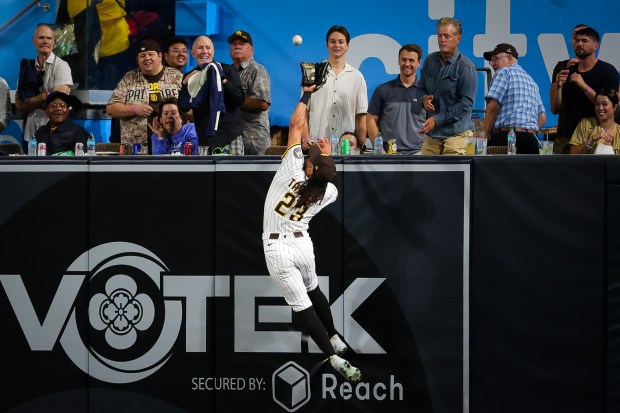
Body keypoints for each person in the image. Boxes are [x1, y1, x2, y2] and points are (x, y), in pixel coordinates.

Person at [263, 84, 361, 382]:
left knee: (304, 307)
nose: (311, 151)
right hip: (302, 246)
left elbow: (295, 124)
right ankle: (333, 336)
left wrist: (306, 93)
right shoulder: (327, 190)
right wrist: (325, 157)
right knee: (314, 290)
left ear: (308, 169)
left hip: (278, 249)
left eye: (312, 157)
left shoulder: (291, 170)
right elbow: (325, 173)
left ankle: (332, 358)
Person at [550, 26, 619, 154]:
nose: (579, 44)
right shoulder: (565, 69)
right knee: (560, 174)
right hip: (565, 136)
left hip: (596, 135)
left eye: (584, 40)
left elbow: (610, 106)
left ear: (595, 46)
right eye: (576, 40)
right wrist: (557, 86)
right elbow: (555, 109)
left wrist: (584, 86)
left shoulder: (608, 71)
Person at [106, 39, 182, 154]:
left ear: (160, 56)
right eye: (142, 55)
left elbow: (189, 109)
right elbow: (111, 108)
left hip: (172, 146)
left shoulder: (176, 77)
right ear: (137, 60)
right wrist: (135, 109)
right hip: (135, 149)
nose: (147, 58)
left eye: (151, 54)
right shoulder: (129, 78)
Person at [418, 17, 477, 155]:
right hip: (432, 136)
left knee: (454, 176)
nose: (442, 39)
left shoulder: (466, 66)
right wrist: (423, 99)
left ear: (458, 39)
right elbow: (420, 89)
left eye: (447, 36)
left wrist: (436, 120)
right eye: (439, 36)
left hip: (457, 136)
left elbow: (466, 104)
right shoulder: (429, 61)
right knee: (426, 176)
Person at [306, 25, 368, 148]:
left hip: (346, 147)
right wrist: (305, 139)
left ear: (347, 46)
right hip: (317, 144)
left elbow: (361, 115)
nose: (337, 45)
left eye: (341, 42)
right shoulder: (313, 73)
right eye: (332, 42)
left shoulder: (357, 76)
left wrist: (361, 145)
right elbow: (304, 112)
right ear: (327, 45)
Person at [15, 24, 73, 152]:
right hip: (30, 133)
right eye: (41, 37)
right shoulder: (26, 68)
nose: (45, 41)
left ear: (54, 42)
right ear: (34, 41)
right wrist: (45, 96)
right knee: (29, 171)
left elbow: (58, 100)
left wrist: (30, 101)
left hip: (56, 133)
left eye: (49, 38)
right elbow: (20, 105)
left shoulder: (62, 66)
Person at [183, 35, 244, 154]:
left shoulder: (228, 70)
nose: (204, 51)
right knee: (205, 174)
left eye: (208, 48)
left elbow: (239, 100)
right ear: (193, 53)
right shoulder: (190, 76)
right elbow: (183, 106)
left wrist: (224, 80)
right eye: (200, 48)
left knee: (233, 173)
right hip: (205, 139)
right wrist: (186, 84)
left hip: (230, 137)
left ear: (213, 51)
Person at [483, 43, 546, 154]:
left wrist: (485, 135)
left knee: (498, 171)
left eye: (496, 59)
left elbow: (493, 107)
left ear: (510, 58)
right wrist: (527, 130)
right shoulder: (532, 82)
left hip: (507, 138)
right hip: (532, 141)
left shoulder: (504, 72)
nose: (493, 64)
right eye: (491, 61)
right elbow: (542, 117)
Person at [367, 44, 426, 155]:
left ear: (419, 63)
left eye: (411, 60)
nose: (407, 64)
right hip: (388, 155)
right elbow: (371, 119)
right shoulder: (382, 90)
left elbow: (432, 123)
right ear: (398, 61)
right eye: (403, 60)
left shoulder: (426, 92)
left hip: (419, 155)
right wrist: (380, 150)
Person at [228, 30, 271, 155]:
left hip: (254, 140)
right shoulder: (227, 72)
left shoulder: (257, 70)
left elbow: (263, 103)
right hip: (233, 138)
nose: (237, 46)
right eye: (234, 44)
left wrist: (232, 100)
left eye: (242, 43)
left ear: (251, 49)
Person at [33, 91, 89, 155]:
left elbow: (83, 161)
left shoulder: (77, 132)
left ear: (68, 110)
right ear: (46, 110)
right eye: (53, 105)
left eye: (62, 105)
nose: (58, 108)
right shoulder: (40, 132)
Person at [569, 88, 620, 154]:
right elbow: (572, 154)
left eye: (604, 104)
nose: (600, 108)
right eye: (597, 104)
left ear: (614, 107)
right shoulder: (585, 124)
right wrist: (592, 139)